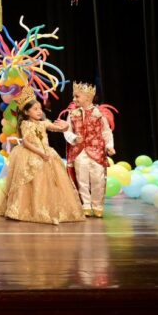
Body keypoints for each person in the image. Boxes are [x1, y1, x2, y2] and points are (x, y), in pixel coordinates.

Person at [0, 86, 85, 225]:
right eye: (35, 109)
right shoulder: (25, 124)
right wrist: (41, 153)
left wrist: (65, 126)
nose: (39, 111)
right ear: (26, 112)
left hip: (46, 155)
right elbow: (25, 142)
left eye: (40, 109)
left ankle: (45, 208)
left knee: (47, 183)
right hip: (31, 155)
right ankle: (25, 209)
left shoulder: (43, 123)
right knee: (30, 183)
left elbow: (58, 128)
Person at [63, 82, 116, 218]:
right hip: (79, 151)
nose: (74, 99)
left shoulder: (100, 114)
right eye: (74, 96)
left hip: (97, 151)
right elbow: (67, 130)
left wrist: (109, 146)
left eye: (77, 96)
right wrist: (74, 138)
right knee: (82, 179)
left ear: (87, 97)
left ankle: (97, 205)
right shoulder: (72, 114)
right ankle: (85, 205)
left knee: (98, 178)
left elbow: (106, 132)